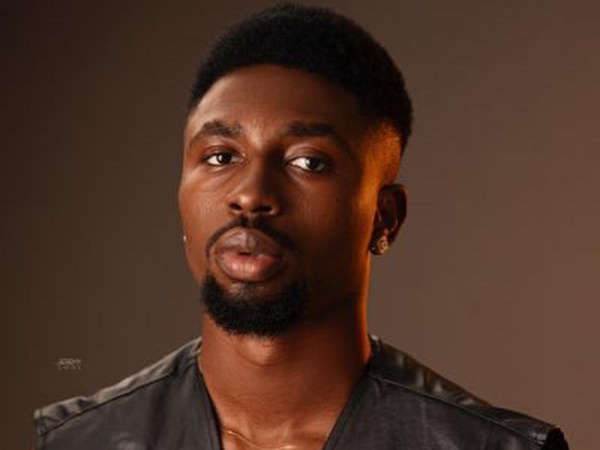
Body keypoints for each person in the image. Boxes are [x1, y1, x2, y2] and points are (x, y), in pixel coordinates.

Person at [32, 3, 569, 449]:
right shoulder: (80, 441)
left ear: (384, 218)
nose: (250, 194)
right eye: (220, 156)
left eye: (308, 162)